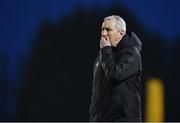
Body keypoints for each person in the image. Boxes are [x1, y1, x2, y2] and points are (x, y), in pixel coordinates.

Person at [89, 15, 142, 122]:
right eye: (102, 30)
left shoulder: (131, 54)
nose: (104, 34)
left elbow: (115, 75)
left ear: (121, 33)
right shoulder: (103, 54)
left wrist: (105, 50)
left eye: (108, 30)